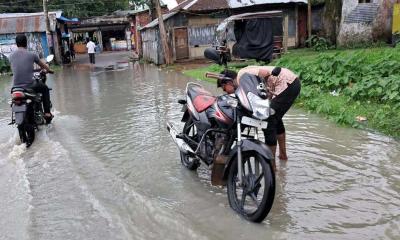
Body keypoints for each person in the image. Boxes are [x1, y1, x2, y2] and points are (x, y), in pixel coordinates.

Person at [219, 66, 301, 161]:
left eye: (224, 88)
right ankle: (283, 156)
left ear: (229, 83)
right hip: (290, 83)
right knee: (275, 118)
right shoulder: (244, 80)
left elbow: (265, 72)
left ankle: (271, 165)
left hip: (287, 83)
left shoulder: (242, 75)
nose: (226, 92)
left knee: (268, 121)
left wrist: (265, 88)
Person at [9, 34, 54, 121]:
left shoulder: (11, 56)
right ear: (26, 43)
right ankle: (47, 113)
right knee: (45, 88)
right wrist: (49, 70)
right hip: (29, 85)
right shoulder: (32, 55)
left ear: (16, 44)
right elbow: (43, 66)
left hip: (15, 87)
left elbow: (17, 67)